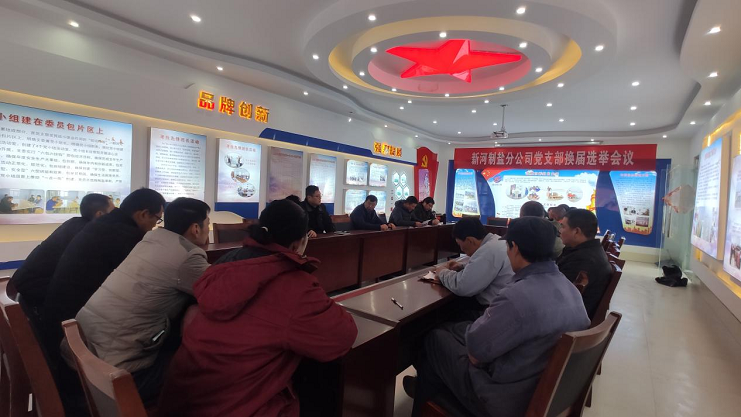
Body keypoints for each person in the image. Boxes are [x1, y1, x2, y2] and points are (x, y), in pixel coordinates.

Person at [159, 199, 357, 417]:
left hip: (181, 402)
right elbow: (341, 336)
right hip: (241, 407)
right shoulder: (293, 284)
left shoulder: (223, 265)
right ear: (298, 244)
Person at [407, 217, 590, 417]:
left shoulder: (517, 296)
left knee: (434, 339)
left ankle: (426, 398)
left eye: (508, 247)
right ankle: (428, 391)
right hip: (543, 391)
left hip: (504, 399)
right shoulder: (571, 289)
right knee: (450, 339)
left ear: (515, 248)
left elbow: (476, 354)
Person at [74, 197, 211, 403]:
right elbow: (222, 293)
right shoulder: (188, 256)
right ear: (196, 228)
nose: (208, 228)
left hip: (86, 357)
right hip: (119, 373)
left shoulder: (151, 239)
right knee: (209, 365)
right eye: (208, 223)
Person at [42, 188, 166, 369]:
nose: (155, 225)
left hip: (58, 320)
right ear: (143, 214)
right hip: (73, 333)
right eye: (157, 219)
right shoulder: (127, 236)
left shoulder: (104, 223)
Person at [11, 194, 113, 321]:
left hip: (26, 292)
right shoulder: (88, 233)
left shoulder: (74, 224)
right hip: (38, 300)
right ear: (100, 214)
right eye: (113, 211)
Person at [433, 217, 514, 312]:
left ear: (470, 240)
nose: (461, 249)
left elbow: (463, 286)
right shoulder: (496, 240)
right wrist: (463, 266)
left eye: (459, 244)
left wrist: (442, 272)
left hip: (491, 311)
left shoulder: (488, 250)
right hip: (505, 305)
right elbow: (484, 268)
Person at [557, 209, 613, 319]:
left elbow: (556, 293)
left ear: (576, 231)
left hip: (571, 318)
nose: (560, 230)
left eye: (563, 227)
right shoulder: (590, 250)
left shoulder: (583, 260)